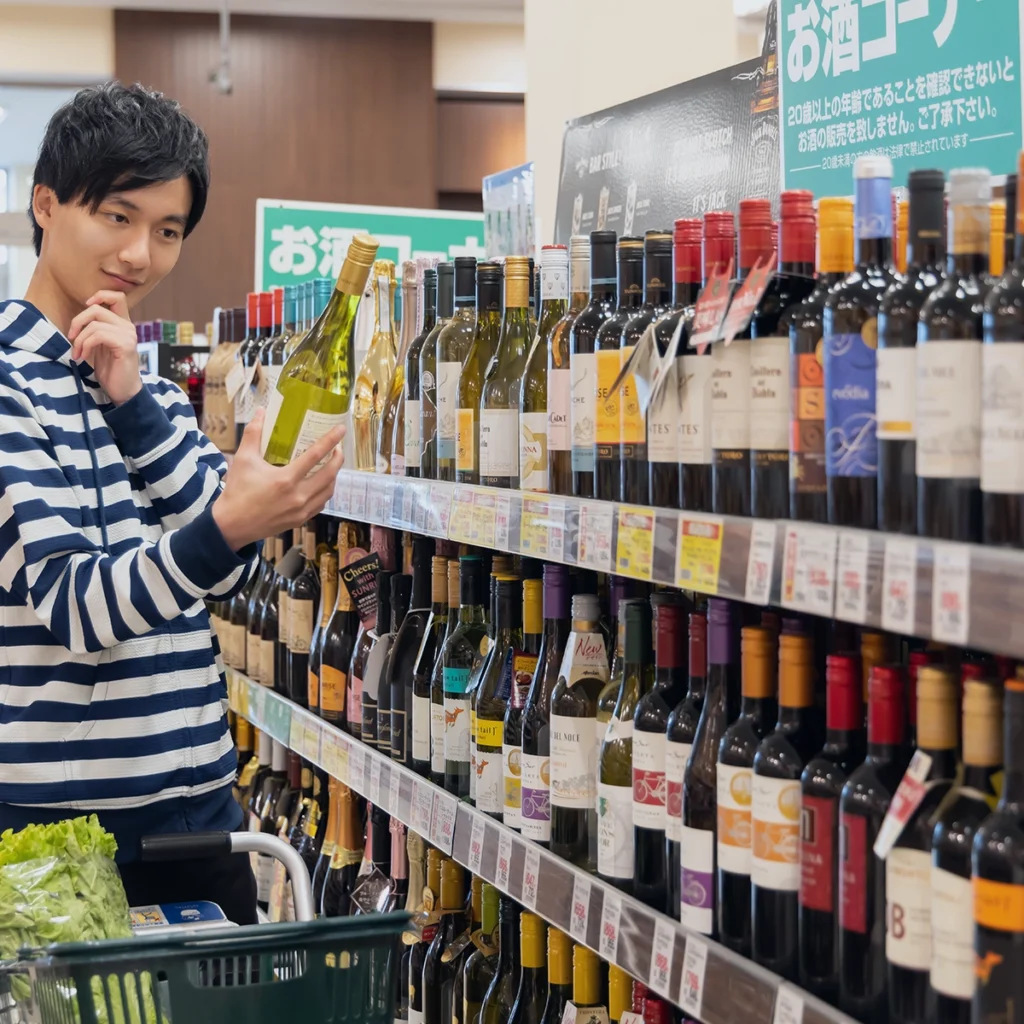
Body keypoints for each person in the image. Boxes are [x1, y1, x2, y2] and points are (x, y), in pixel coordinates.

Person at [0, 82, 343, 924]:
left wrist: (134, 403)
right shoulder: (8, 380)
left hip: (201, 817)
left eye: (167, 231)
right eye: (117, 217)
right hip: (65, 837)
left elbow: (228, 584)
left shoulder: (140, 380)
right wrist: (231, 523)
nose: (139, 255)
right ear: (45, 205)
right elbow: (77, 604)